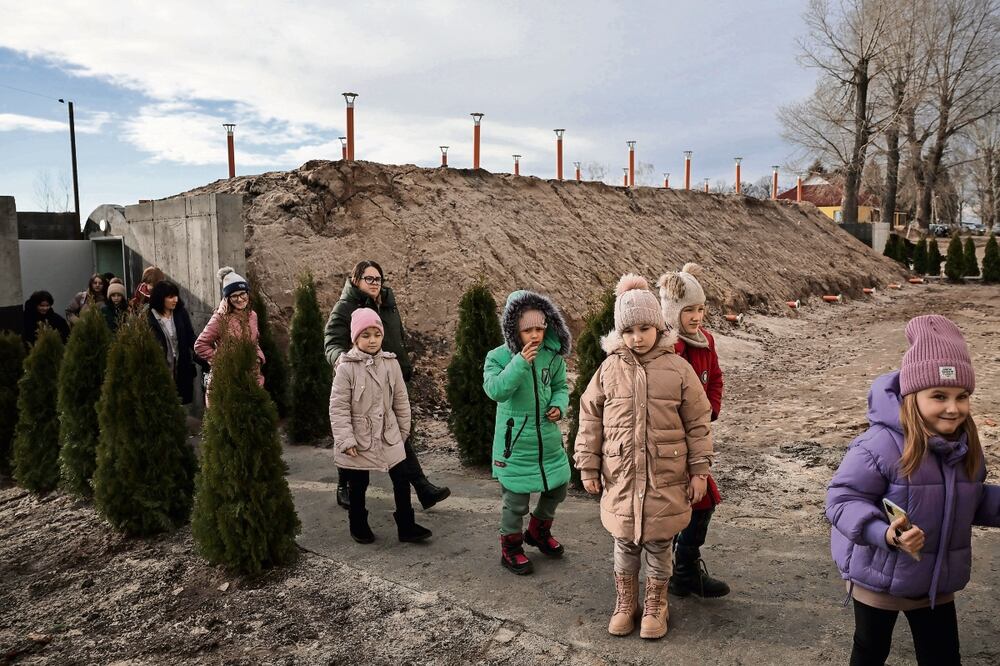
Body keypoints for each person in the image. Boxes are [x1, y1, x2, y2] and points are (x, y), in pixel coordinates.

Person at [826, 315, 999, 665]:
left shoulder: (964, 446)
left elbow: (973, 499)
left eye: (961, 396)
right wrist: (883, 532)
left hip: (935, 582)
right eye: (939, 395)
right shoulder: (879, 445)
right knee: (870, 650)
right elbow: (842, 499)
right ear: (912, 396)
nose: (953, 408)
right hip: (879, 579)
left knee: (943, 656)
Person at [574, 274, 713, 640]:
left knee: (659, 542)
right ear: (621, 334)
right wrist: (588, 463)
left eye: (645, 328)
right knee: (624, 541)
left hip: (665, 475)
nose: (638, 337)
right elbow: (589, 416)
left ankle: (656, 603)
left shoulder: (678, 369)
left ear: (658, 326)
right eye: (630, 330)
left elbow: (698, 421)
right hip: (621, 474)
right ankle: (625, 601)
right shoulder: (609, 369)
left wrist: (699, 470)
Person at [324, 260, 449, 511]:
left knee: (394, 431)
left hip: (388, 377)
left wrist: (402, 365)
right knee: (355, 432)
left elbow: (396, 337)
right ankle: (344, 486)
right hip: (357, 379)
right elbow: (331, 342)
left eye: (378, 279)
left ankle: (422, 488)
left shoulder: (388, 304)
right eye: (369, 279)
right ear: (356, 280)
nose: (374, 283)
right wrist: (343, 362)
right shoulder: (345, 307)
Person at [483, 289, 572, 576]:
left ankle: (538, 531)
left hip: (547, 439)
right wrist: (520, 362)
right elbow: (496, 390)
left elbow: (560, 387)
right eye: (527, 330)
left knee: (558, 486)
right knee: (516, 500)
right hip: (515, 442)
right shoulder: (497, 357)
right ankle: (510, 547)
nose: (535, 335)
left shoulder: (552, 355)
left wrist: (559, 406)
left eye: (540, 328)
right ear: (513, 330)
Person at [329, 308, 432, 544]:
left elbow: (400, 399)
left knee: (401, 477)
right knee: (358, 483)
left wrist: (403, 431)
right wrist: (346, 439)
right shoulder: (346, 367)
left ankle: (406, 525)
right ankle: (358, 523)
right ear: (355, 338)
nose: (372, 340)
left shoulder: (390, 363)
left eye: (376, 334)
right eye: (366, 335)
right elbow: (338, 407)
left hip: (388, 432)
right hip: (359, 436)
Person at [657, 263, 729, 598]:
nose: (697, 316)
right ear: (672, 312)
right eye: (689, 311)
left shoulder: (706, 341)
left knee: (704, 501)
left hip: (696, 438)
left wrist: (710, 409)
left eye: (700, 309)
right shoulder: (666, 349)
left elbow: (715, 378)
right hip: (671, 442)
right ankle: (665, 572)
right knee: (671, 506)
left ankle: (685, 568)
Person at [194, 267, 265, 405]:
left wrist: (257, 357)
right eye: (234, 296)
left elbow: (254, 340)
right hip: (227, 380)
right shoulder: (220, 318)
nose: (240, 299)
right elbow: (200, 345)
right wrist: (222, 360)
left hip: (251, 375)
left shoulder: (252, 315)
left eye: (243, 294)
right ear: (227, 298)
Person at [146, 281, 201, 405]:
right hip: (161, 370)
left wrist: (201, 351)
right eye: (170, 297)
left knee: (181, 403)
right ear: (160, 298)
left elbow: (190, 336)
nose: (175, 300)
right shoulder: (148, 317)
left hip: (181, 368)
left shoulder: (180, 313)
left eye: (176, 296)